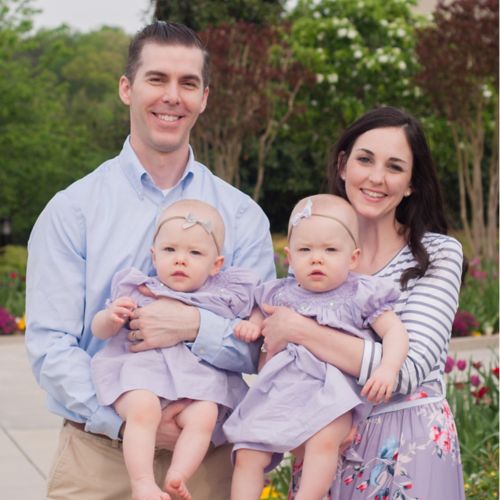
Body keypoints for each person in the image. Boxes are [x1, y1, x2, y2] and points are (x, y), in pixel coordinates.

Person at [25, 21, 275, 500]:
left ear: (204, 97)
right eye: (157, 79)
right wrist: (126, 419)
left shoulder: (242, 217)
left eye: (188, 84)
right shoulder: (72, 210)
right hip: (98, 458)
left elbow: (260, 348)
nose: (172, 97)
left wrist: (191, 326)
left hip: (207, 462)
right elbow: (51, 346)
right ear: (127, 88)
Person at [260, 107, 466, 499]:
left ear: (410, 184)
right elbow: (276, 349)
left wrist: (302, 330)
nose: (375, 178)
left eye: (394, 167)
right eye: (365, 159)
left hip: (407, 446)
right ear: (342, 165)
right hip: (323, 443)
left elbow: (406, 370)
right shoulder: (312, 253)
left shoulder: (438, 255)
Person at [224, 194, 409, 500]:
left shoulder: (359, 293)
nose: (316, 258)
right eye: (305, 249)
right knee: (247, 452)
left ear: (353, 258)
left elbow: (395, 332)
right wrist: (253, 324)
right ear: (290, 257)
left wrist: (388, 368)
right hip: (280, 392)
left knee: (323, 443)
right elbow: (260, 312)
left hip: (330, 394)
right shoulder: (279, 293)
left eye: (330, 250)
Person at [91, 199, 260, 500]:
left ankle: (178, 475)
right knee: (143, 408)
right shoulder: (138, 289)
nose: (180, 260)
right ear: (154, 256)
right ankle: (142, 482)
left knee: (205, 414)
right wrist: (110, 317)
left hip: (195, 385)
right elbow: (100, 331)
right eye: (170, 250)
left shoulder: (220, 298)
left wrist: (250, 325)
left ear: (216, 265)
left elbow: (252, 333)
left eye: (195, 253)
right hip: (142, 377)